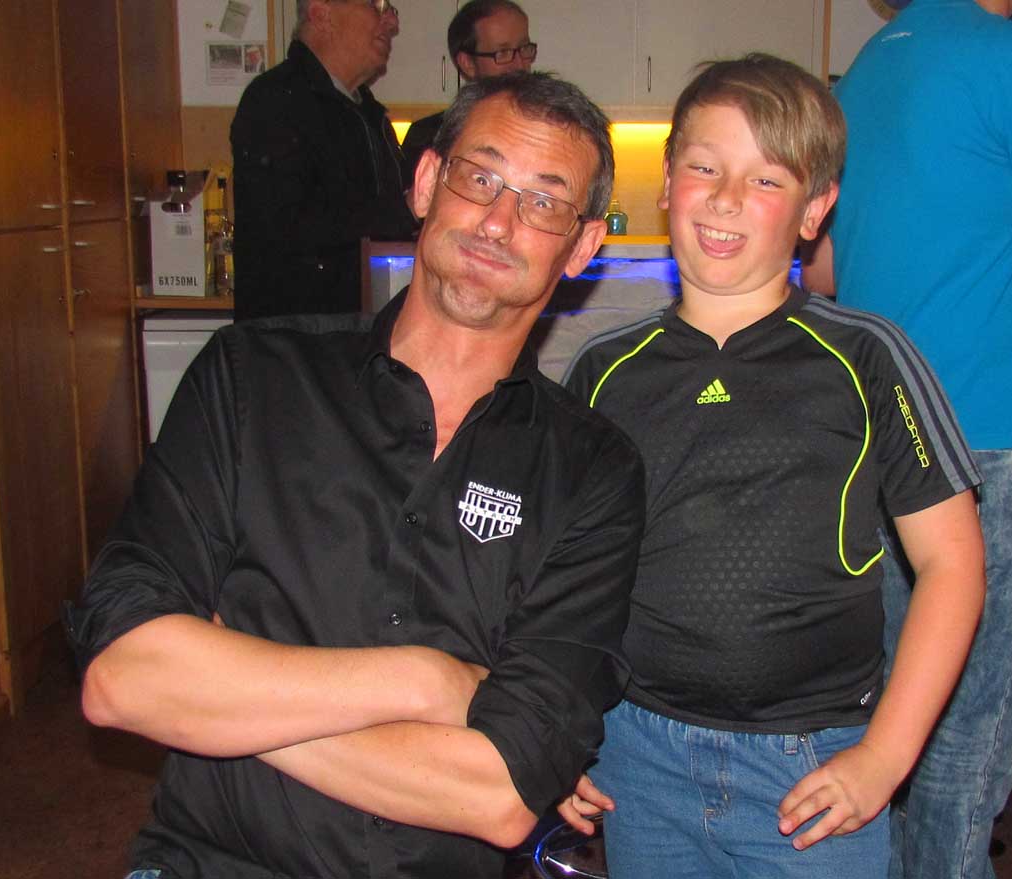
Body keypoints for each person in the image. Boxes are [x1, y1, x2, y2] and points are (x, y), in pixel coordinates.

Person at [64, 72, 642, 879]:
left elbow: (500, 794)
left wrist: (225, 697)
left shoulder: (591, 472)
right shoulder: (252, 377)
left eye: (544, 201)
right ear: (427, 183)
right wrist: (426, 680)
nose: (498, 221)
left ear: (580, 247)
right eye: (479, 178)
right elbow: (124, 678)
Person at [561, 54, 985, 879]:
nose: (725, 198)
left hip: (812, 767)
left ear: (813, 209)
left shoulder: (868, 356)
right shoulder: (603, 369)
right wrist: (559, 729)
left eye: (764, 180)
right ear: (667, 183)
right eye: (704, 167)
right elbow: (566, 575)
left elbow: (954, 563)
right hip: (635, 758)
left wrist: (885, 756)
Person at [802, 1, 1012, 876]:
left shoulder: (870, 66)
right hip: (982, 449)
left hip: (874, 442)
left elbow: (823, 268)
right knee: (969, 739)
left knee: (898, 719)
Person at [230, 0, 418, 321]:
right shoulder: (276, 101)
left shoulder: (367, 113)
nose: (391, 21)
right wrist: (403, 210)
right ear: (321, 13)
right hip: (295, 338)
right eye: (377, 5)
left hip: (350, 334)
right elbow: (288, 228)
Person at [400, 0, 536, 180]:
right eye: (503, 53)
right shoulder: (427, 137)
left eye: (524, 48)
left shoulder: (543, 132)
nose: (519, 64)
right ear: (468, 64)